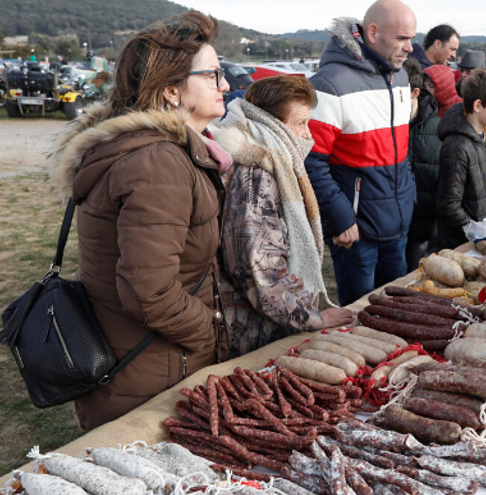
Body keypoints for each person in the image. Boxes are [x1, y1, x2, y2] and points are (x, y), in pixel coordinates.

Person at [47, 11, 231, 431]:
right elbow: (147, 291)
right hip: (152, 376)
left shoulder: (156, 151)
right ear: (171, 91)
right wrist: (211, 332)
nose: (224, 85)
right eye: (212, 75)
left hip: (146, 362)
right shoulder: (157, 162)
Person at [210, 76, 357, 359]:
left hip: (264, 321)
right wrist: (313, 319)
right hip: (254, 331)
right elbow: (258, 270)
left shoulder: (269, 160)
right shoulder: (256, 175)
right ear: (271, 123)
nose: (307, 135)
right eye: (299, 123)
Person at [305, 0, 417, 306]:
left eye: (412, 38)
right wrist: (340, 218)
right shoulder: (330, 84)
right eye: (402, 38)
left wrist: (408, 201)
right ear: (373, 32)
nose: (410, 48)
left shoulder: (401, 77)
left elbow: (398, 153)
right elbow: (310, 162)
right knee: (359, 318)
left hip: (398, 225)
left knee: (396, 311)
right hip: (357, 233)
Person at [435, 70, 486, 249]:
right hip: (461, 242)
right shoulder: (457, 146)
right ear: (477, 106)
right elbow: (449, 205)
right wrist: (477, 231)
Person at [403, 58, 442, 271]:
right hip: (392, 227)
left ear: (415, 93)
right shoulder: (385, 125)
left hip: (424, 227)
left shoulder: (438, 130)